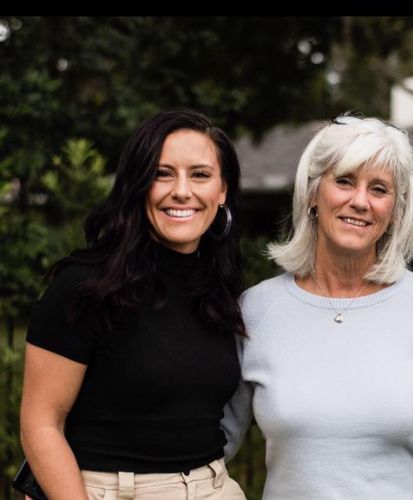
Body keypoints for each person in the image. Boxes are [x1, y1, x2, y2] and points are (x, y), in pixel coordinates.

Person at [221, 114, 413, 499]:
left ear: (395, 211)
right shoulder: (257, 309)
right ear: (312, 193)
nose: (360, 201)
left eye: (379, 189)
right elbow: (210, 447)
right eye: (343, 181)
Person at [20, 110, 247, 499]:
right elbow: (40, 423)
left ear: (222, 190)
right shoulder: (85, 285)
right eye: (162, 174)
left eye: (200, 174)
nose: (181, 191)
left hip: (214, 487)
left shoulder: (218, 287)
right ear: (139, 185)